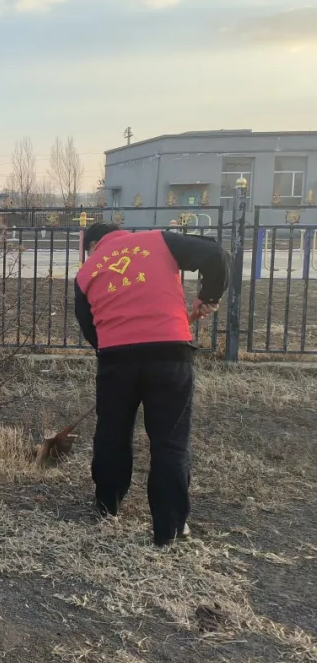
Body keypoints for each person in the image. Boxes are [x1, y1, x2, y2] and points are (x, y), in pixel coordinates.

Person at [74, 223, 229, 547]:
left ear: (92, 245)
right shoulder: (159, 240)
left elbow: (90, 329)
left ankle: (107, 505)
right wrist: (208, 296)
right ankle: (170, 528)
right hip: (170, 355)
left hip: (116, 359)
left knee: (112, 434)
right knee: (170, 441)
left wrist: (117, 346)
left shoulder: (87, 270)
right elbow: (214, 253)